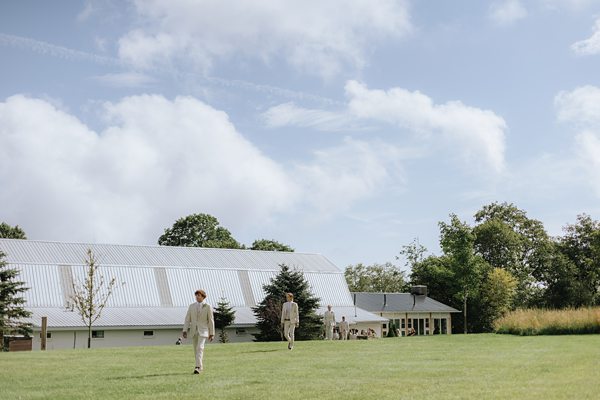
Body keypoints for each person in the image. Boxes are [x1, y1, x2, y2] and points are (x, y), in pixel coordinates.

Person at [182, 289, 215, 374]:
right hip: (193, 331)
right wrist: (185, 330)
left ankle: (197, 367)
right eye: (196, 295)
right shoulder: (191, 306)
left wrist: (212, 333)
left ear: (203, 297)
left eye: (199, 295)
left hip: (203, 331)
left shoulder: (208, 306)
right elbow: (187, 319)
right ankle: (200, 366)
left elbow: (211, 320)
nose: (197, 297)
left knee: (200, 348)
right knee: (195, 350)